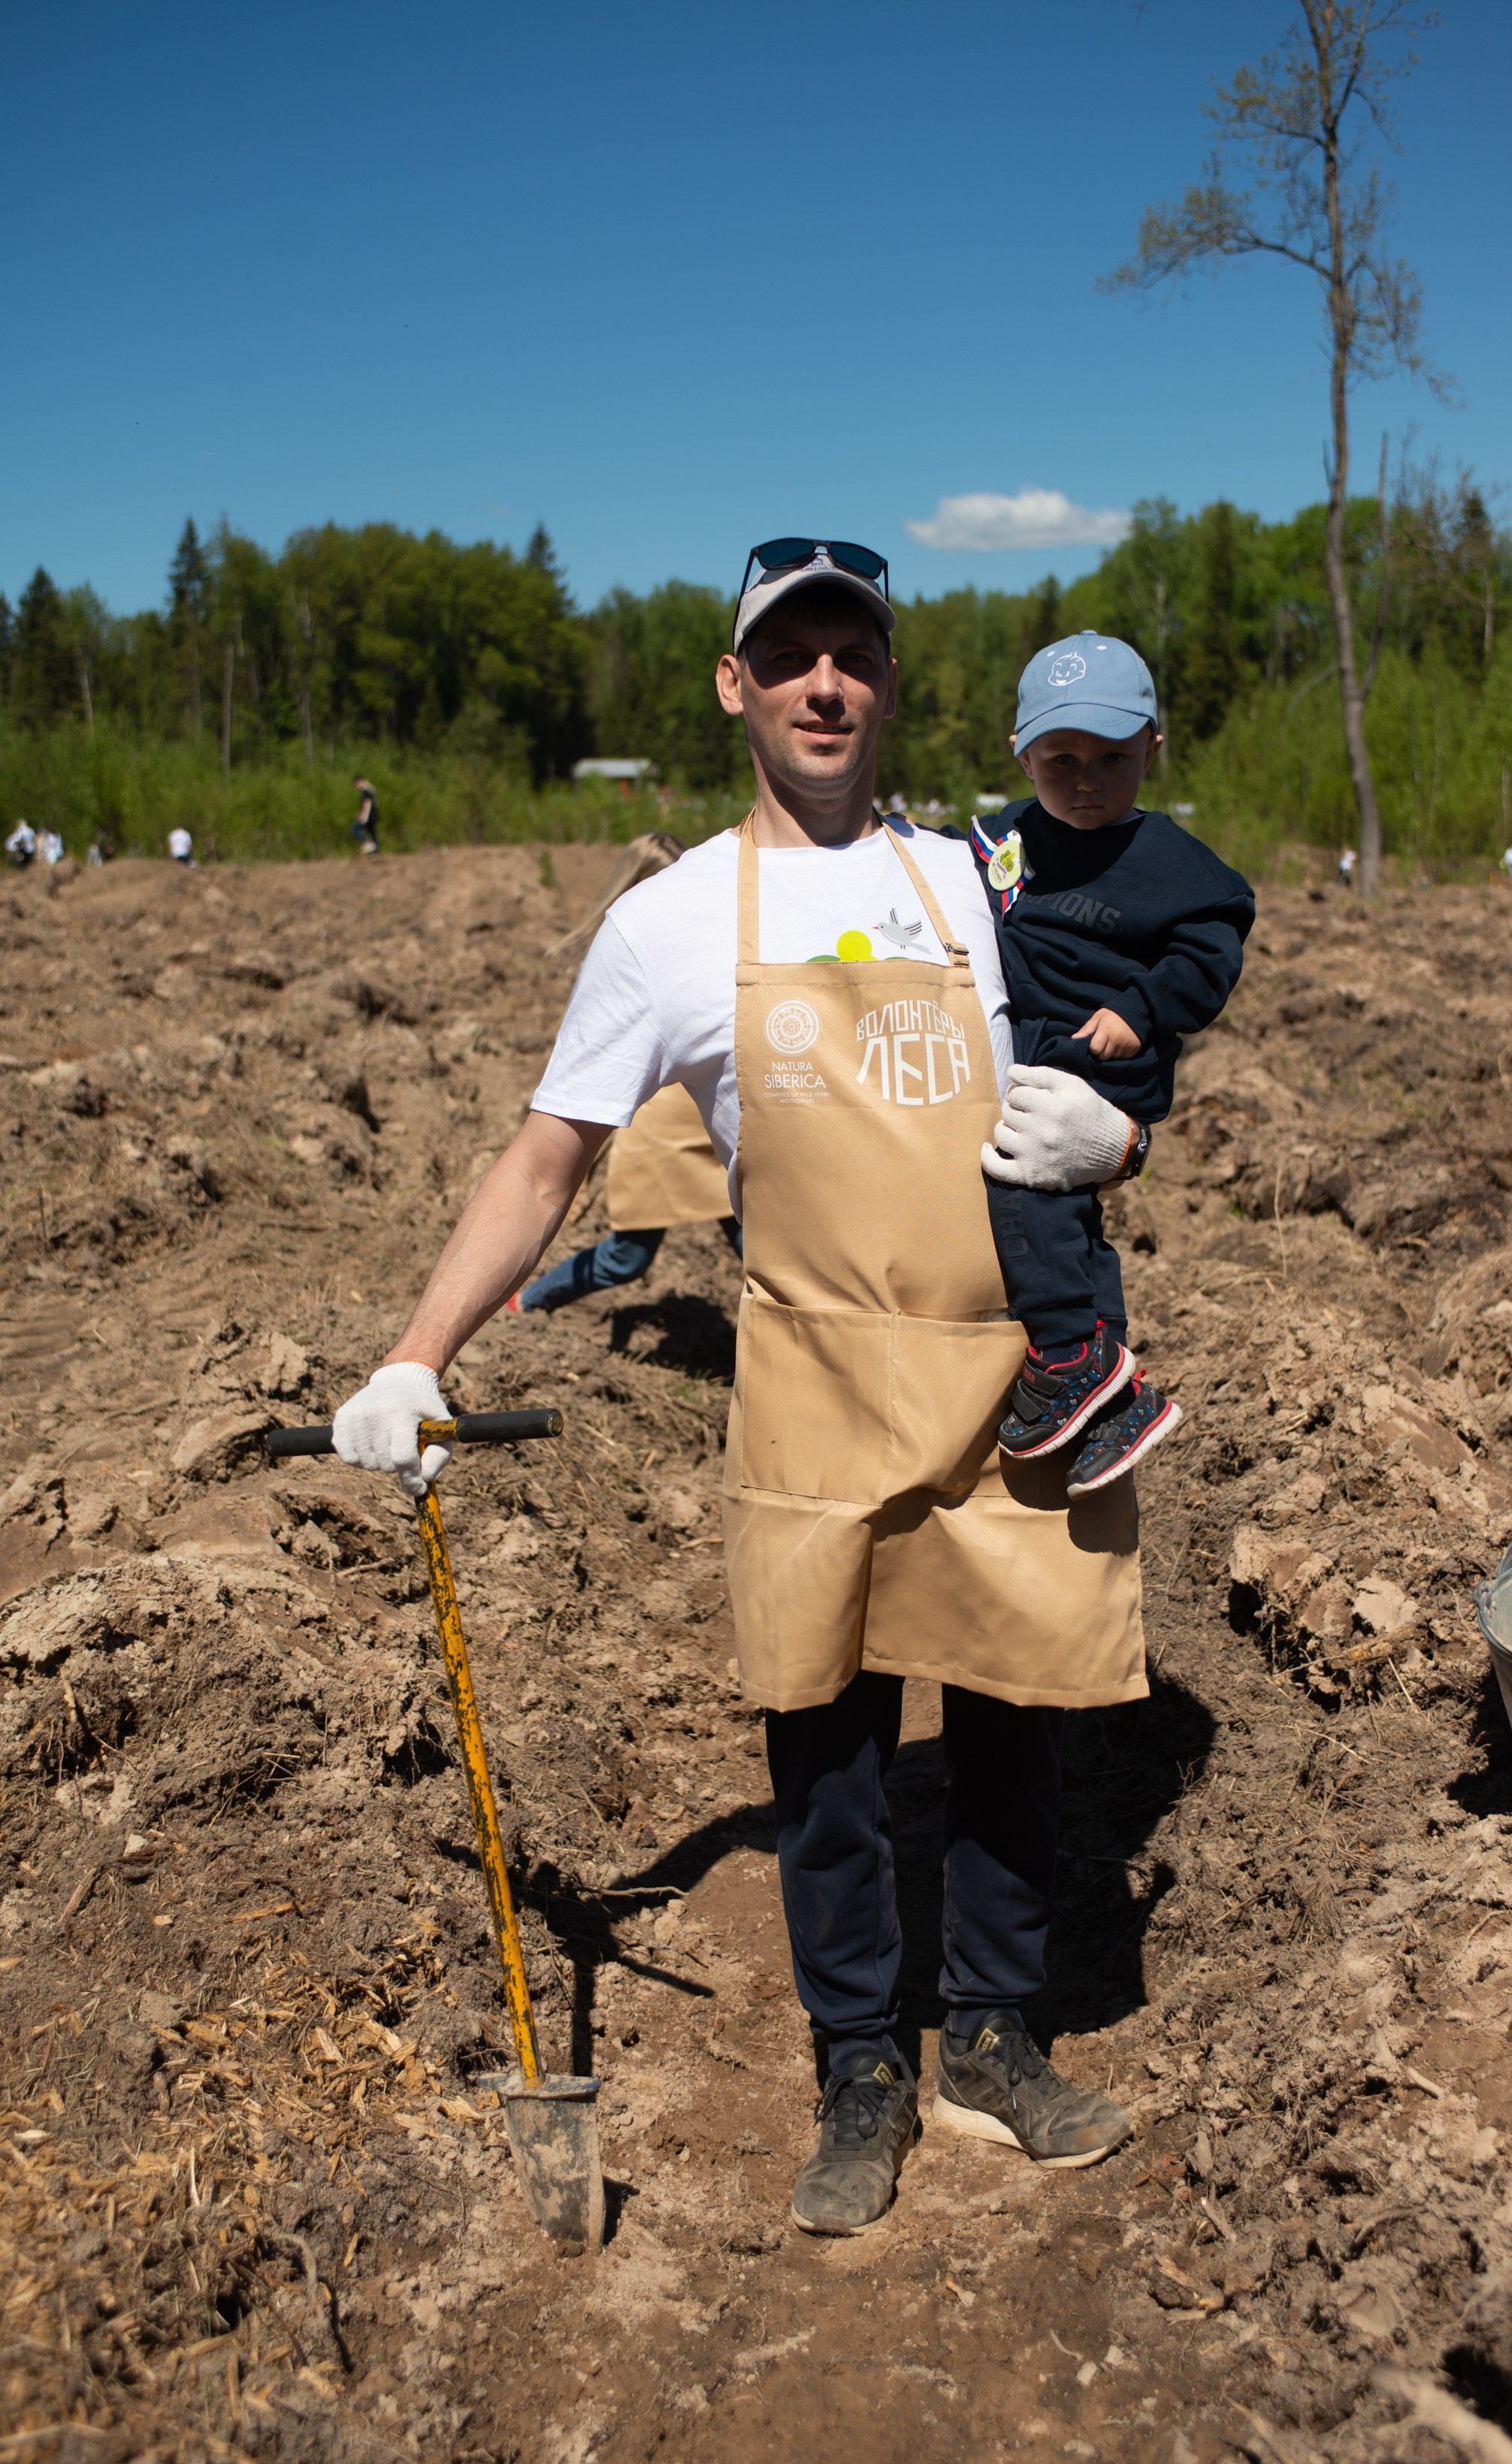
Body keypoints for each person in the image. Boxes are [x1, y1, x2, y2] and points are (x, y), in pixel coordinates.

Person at [328, 537, 1148, 2238]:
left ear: (889, 683)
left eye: (853, 653)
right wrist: (419, 1351)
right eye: (791, 658)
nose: (824, 685)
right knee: (828, 1746)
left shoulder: (976, 886)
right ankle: (860, 2062)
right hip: (818, 1373)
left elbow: (1132, 1016)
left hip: (1004, 1362)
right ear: (737, 686)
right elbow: (547, 1156)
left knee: (1011, 1713)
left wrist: (1123, 1125)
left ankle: (992, 2033)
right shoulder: (669, 921)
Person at [971, 636, 1253, 1495]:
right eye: (1061, 759)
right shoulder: (1000, 841)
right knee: (1068, 1216)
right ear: (1021, 753)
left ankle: (1065, 1351)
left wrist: (1141, 1008)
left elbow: (1213, 951)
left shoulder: (1172, 863)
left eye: (1111, 758)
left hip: (1101, 1057)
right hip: (1034, 1046)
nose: (1085, 779)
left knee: (1023, 1182)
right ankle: (1116, 1391)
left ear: (1152, 750)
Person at [510, 1082, 742, 1312]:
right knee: (627, 1258)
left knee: (759, 1250)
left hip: (721, 1130)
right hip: (658, 1137)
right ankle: (527, 1303)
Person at [352, 779, 381, 856]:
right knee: (372, 832)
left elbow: (367, 804)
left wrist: (365, 816)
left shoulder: (365, 793)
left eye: (356, 784)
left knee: (355, 829)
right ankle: (376, 854)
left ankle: (368, 843)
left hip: (370, 816)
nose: (356, 787)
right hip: (374, 815)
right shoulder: (370, 792)